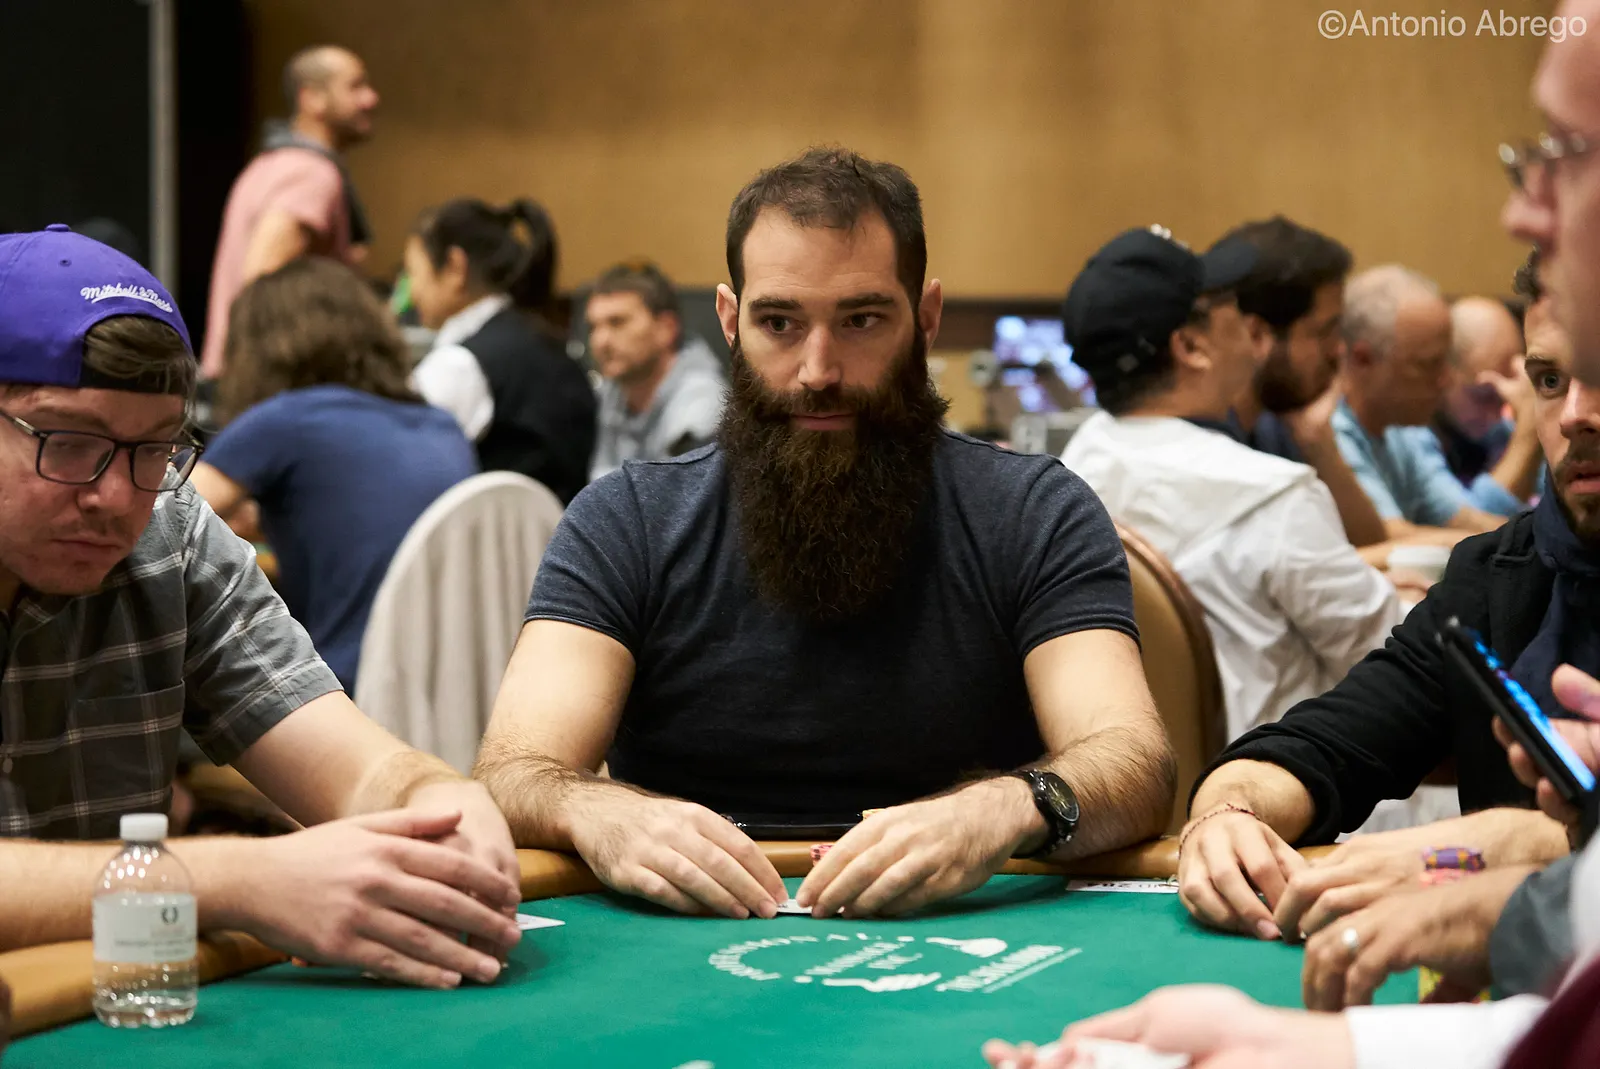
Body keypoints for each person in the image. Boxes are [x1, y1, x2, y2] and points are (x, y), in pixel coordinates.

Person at [473, 147, 1175, 922]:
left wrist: (1008, 806)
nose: (818, 370)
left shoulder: (1036, 510)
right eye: (779, 322)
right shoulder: (625, 518)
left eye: (861, 320)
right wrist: (593, 809)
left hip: (972, 922)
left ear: (926, 319)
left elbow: (1134, 761)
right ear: (731, 323)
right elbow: (512, 770)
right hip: (691, 928)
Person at [0, 226, 518, 989]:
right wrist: (240, 878)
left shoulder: (170, 530)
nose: (115, 496)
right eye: (71, 441)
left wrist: (437, 798)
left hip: (102, 1010)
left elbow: (362, 767)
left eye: (155, 449)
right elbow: (247, 879)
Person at [1174, 250, 1596, 952]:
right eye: (1550, 380)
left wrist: (1505, 844)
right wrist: (1231, 808)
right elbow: (1333, 740)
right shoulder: (1495, 576)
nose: (1576, 414)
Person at [1060, 227, 1401, 740]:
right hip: (1280, 778)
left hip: (1131, 778)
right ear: (1191, 346)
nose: (1249, 324)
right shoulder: (1275, 496)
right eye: (1232, 308)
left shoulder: (1065, 480)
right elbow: (1387, 657)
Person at [189, 258, 478, 693]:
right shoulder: (441, 424)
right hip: (457, 689)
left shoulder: (284, 419)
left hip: (343, 688)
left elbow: (163, 520)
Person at [201, 45, 379, 379]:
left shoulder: (271, 163)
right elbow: (263, 281)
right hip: (272, 383)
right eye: (355, 86)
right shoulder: (310, 173)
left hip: (245, 379)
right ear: (312, 98)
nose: (371, 98)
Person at [407, 198, 596, 504]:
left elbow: (401, 470)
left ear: (455, 267)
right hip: (569, 531)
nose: (410, 292)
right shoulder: (555, 347)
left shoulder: (460, 364)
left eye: (413, 273)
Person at [1216, 217, 1389, 550]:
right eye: (1323, 332)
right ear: (1256, 335)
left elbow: (1367, 541)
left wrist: (1318, 441)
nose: (1338, 350)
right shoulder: (1210, 447)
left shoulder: (1277, 421)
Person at [1332, 266, 1509, 543]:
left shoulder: (1403, 428)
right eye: (1428, 364)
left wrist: (1538, 539)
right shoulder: (1332, 429)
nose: (1446, 380)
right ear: (1363, 359)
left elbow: (1461, 517)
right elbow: (1388, 538)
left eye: (1445, 360)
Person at [586, 261, 727, 480]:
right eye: (593, 327)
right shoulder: (610, 390)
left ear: (666, 328)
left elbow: (677, 495)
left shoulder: (702, 404)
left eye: (617, 322)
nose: (600, 341)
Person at [1435, 292, 1541, 513]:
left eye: (1504, 398)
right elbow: (1469, 523)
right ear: (1442, 375)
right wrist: (1531, 430)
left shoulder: (1501, 429)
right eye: (1484, 396)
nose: (1498, 415)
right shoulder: (1408, 435)